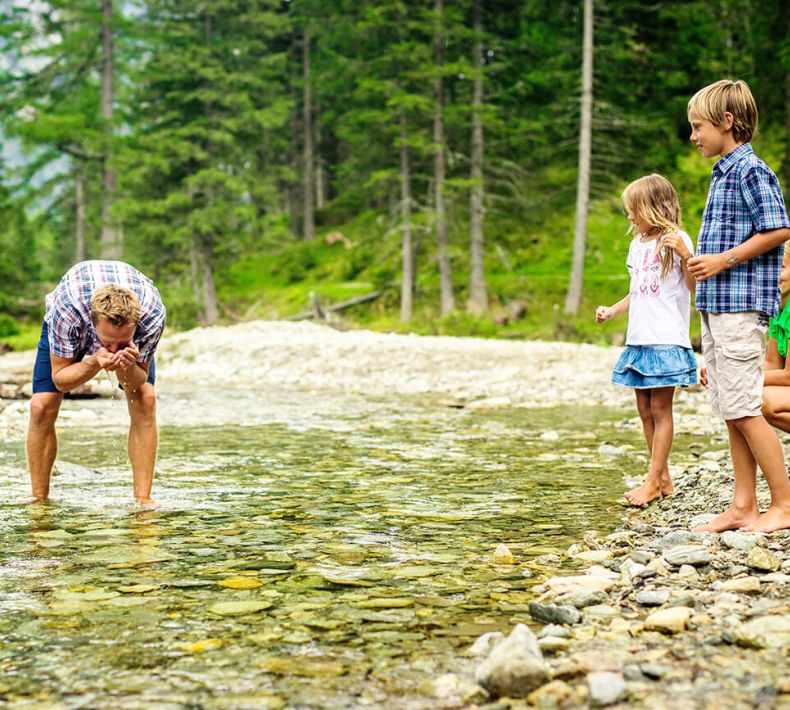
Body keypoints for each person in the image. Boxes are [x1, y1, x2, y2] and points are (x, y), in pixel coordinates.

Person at [686, 79, 790, 533]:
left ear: (728, 122)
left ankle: (783, 505)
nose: (693, 136)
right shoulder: (723, 172)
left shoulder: (752, 171)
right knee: (732, 408)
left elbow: (778, 229)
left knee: (746, 407)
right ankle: (743, 505)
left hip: (741, 308)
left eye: (698, 126)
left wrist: (722, 260)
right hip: (717, 306)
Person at [26, 260, 166, 507]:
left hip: (137, 314)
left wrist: (126, 365)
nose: (113, 349)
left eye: (122, 342)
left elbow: (136, 383)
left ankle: (143, 501)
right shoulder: (67, 311)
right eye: (107, 341)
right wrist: (93, 363)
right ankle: (39, 500)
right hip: (72, 308)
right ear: (93, 323)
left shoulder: (152, 315)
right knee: (41, 404)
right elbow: (60, 381)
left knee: (146, 399)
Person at [596, 174, 697, 506]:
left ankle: (653, 480)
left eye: (633, 210)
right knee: (643, 408)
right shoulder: (636, 244)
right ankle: (662, 477)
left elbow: (694, 288)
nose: (629, 217)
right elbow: (637, 291)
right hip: (639, 338)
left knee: (660, 408)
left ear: (653, 208)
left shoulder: (677, 239)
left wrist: (685, 255)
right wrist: (613, 310)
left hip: (666, 338)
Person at [761, 245, 790, 429]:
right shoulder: (778, 310)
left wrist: (740, 379)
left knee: (764, 400)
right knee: (744, 398)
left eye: (781, 268)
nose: (774, 275)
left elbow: (788, 376)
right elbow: (772, 364)